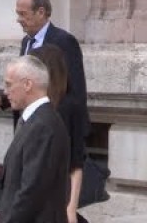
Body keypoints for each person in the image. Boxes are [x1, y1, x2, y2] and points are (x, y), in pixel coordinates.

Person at [0, 0, 90, 223]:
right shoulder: (26, 42)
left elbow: (76, 94)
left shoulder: (64, 42)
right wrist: (2, 100)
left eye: (23, 14)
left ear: (41, 12)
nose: (19, 20)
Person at [0, 55, 70, 223]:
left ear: (27, 84)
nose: (5, 92)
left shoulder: (43, 125)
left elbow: (32, 190)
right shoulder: (35, 121)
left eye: (9, 84)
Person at [29, 44, 89, 223]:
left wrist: (71, 208)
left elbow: (76, 163)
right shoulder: (35, 107)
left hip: (58, 197)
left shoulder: (69, 107)